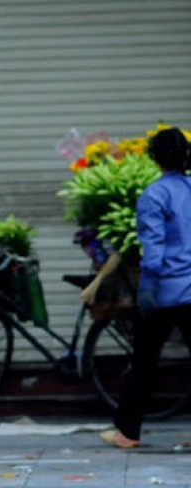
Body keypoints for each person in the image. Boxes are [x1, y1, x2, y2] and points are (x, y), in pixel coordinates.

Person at [100, 127, 191, 449]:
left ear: (154, 157)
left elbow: (153, 251)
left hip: (168, 291)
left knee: (142, 364)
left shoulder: (154, 195)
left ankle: (127, 433)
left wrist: (146, 292)